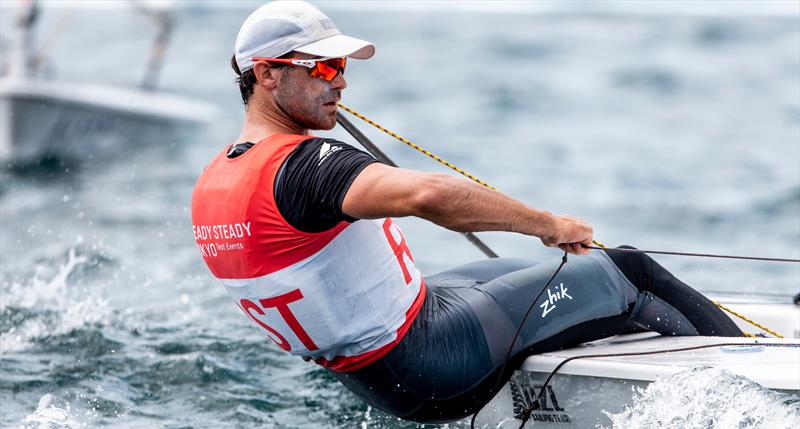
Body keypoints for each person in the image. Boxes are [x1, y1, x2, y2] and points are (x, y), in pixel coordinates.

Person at [191, 1, 743, 423]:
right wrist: (549, 224)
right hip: (432, 362)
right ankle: (754, 387)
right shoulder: (308, 168)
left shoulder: (217, 178)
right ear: (266, 75)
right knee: (629, 271)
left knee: (539, 272)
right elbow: (427, 196)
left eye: (339, 65)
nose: (340, 79)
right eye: (323, 66)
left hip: (383, 366)